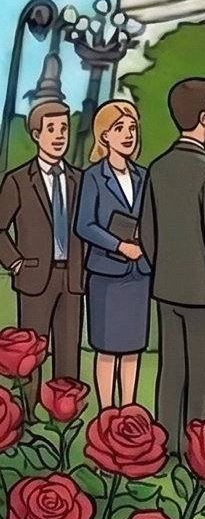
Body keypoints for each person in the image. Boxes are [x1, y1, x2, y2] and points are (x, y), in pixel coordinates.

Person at [140, 77, 205, 459]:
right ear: (202, 117)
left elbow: (147, 232)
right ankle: (201, 452)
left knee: (172, 372)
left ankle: (166, 443)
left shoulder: (158, 168)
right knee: (203, 379)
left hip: (167, 288)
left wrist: (164, 267)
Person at [0, 99, 83, 386]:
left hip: (72, 278)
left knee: (69, 351)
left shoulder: (79, 180)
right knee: (31, 352)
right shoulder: (18, 181)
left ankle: (64, 414)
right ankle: (28, 413)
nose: (60, 135)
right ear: (37, 135)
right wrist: (16, 262)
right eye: (52, 129)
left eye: (64, 128)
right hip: (34, 278)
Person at [74, 99, 150, 408]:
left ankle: (128, 410)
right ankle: (106, 412)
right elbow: (84, 225)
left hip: (138, 275)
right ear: (104, 135)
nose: (128, 134)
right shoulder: (93, 177)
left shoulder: (143, 176)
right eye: (120, 128)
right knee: (107, 349)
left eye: (132, 127)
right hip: (107, 274)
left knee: (132, 349)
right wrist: (119, 246)